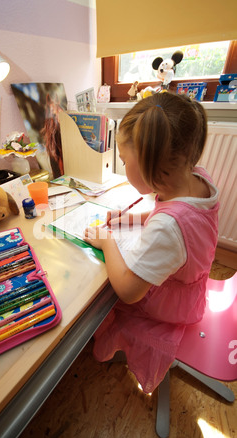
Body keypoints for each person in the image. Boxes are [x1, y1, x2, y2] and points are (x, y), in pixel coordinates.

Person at [84, 92, 219, 394]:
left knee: (99, 301)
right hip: (193, 290)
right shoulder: (197, 178)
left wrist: (107, 241)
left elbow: (130, 291)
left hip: (170, 309)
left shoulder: (168, 228)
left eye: (123, 159)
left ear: (148, 163)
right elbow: (173, 213)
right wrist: (130, 218)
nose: (120, 165)